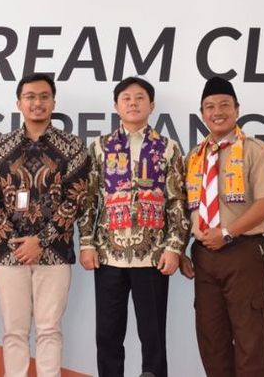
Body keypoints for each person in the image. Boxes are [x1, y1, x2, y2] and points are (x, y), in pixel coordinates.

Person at [78, 76, 189, 377]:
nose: (133, 103)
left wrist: (174, 248)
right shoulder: (100, 147)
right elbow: (88, 199)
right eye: (126, 98)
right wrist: (87, 243)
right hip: (108, 255)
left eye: (140, 98)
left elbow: (177, 201)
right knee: (108, 335)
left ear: (151, 105)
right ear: (116, 106)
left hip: (153, 256)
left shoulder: (167, 148)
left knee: (153, 337)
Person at [0, 73, 89, 377]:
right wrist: (17, 243)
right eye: (30, 97)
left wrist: (40, 241)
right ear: (19, 103)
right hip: (10, 254)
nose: (37, 103)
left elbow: (77, 198)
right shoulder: (1, 147)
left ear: (53, 102)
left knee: (49, 330)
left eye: (44, 96)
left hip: (54, 253)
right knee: (13, 332)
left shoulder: (73, 147)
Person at [179, 76, 264, 377]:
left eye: (224, 105)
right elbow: (186, 207)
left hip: (243, 252)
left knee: (250, 338)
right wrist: (182, 249)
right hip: (204, 255)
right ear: (202, 114)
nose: (217, 112)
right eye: (210, 107)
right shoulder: (194, 157)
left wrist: (227, 233)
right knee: (212, 339)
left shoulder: (254, 150)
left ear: (237, 109)